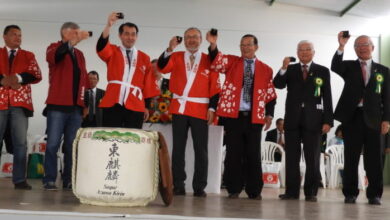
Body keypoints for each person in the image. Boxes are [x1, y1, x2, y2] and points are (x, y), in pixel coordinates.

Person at [208, 33, 276, 200]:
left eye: (249, 45)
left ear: (256, 47)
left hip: (254, 118)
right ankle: (233, 188)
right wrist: (213, 45)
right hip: (233, 117)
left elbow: (270, 95)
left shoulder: (266, 69)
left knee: (253, 154)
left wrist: (269, 114)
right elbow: (216, 61)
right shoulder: (232, 62)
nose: (245, 48)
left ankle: (254, 190)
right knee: (233, 153)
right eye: (242, 45)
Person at [157, 27, 220, 197]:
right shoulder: (176, 56)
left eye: (195, 37)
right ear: (184, 41)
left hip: (200, 109)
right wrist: (170, 49)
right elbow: (162, 67)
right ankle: (178, 184)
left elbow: (215, 87)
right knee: (178, 148)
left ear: (201, 40)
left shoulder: (209, 59)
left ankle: (200, 186)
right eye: (188, 37)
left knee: (201, 149)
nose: (191, 40)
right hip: (180, 107)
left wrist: (212, 108)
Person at [332, 32, 390, 205]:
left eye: (366, 45)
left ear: (372, 47)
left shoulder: (384, 70)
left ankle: (374, 194)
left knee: (375, 159)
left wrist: (386, 120)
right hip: (352, 117)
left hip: (375, 120)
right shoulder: (348, 67)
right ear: (355, 49)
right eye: (359, 45)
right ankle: (350, 193)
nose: (363, 48)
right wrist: (341, 45)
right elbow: (335, 66)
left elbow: (387, 97)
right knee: (351, 157)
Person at [274, 40, 333, 202]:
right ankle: (292, 192)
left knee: (312, 158)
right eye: (301, 50)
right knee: (291, 157)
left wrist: (328, 120)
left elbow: (327, 96)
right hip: (292, 120)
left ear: (314, 52)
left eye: (308, 49)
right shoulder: (291, 69)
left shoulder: (322, 71)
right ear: (297, 52)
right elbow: (277, 84)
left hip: (314, 120)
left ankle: (311, 192)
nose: (304, 52)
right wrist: (283, 67)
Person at [44, 22, 90, 190]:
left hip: (76, 108)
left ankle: (68, 179)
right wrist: (70, 44)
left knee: (71, 145)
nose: (78, 36)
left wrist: (84, 104)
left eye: (78, 33)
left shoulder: (80, 54)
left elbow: (83, 80)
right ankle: (49, 179)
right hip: (57, 106)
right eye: (74, 33)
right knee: (53, 144)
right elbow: (55, 57)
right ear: (65, 33)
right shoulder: (54, 47)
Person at [97, 12, 160, 128]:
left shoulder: (144, 58)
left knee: (133, 139)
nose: (130, 37)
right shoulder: (113, 51)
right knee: (111, 137)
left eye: (133, 34)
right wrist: (109, 25)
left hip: (135, 103)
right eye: (126, 34)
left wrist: (146, 106)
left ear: (137, 36)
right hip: (113, 101)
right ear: (120, 35)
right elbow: (102, 47)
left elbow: (148, 84)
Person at [0, 24, 42, 189]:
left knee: (20, 143)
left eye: (20, 35)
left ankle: (19, 179)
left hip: (20, 105)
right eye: (14, 34)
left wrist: (17, 78)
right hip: (1, 103)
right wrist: (2, 80)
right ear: (5, 36)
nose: (18, 38)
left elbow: (36, 74)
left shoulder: (28, 55)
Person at [147, 59, 172, 124]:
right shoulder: (146, 83)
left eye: (157, 67)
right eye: (153, 67)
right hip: (149, 115)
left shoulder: (170, 83)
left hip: (165, 116)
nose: (155, 69)